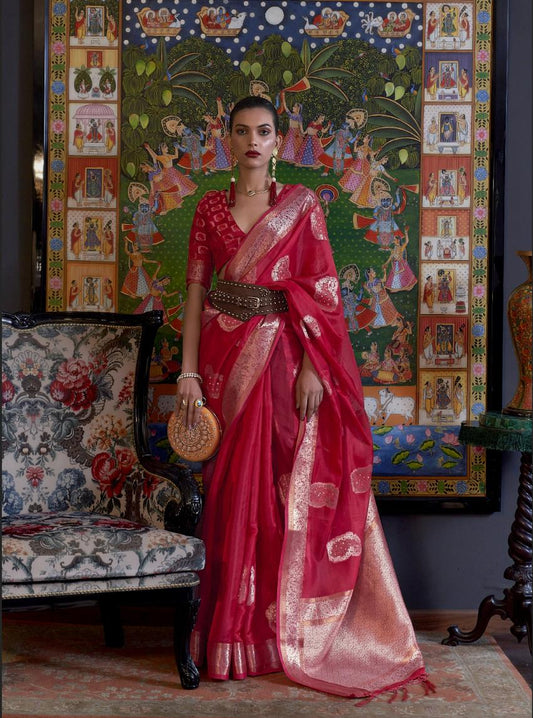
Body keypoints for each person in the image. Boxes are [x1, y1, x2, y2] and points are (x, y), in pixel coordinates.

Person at [177, 96, 431, 701]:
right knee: (230, 490)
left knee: (277, 486)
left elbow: (323, 292)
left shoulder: (301, 206)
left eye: (263, 132)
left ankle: (278, 630)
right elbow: (194, 295)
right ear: (227, 139)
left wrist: (316, 366)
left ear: (280, 140)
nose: (252, 142)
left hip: (288, 359)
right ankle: (227, 635)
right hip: (222, 363)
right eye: (241, 132)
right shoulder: (208, 209)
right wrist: (186, 372)